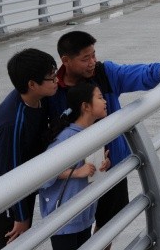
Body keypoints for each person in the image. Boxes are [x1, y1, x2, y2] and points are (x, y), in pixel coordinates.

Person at [48, 30, 160, 247]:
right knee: (76, 231)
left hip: (109, 167)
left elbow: (140, 73)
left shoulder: (105, 73)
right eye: (86, 58)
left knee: (108, 224)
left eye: (94, 55)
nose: (93, 62)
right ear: (65, 60)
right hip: (75, 177)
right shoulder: (52, 88)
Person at [0, 48, 58, 248]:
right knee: (13, 243)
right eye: (52, 78)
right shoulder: (11, 123)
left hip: (24, 181)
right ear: (32, 84)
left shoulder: (37, 98)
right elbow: (9, 173)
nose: (57, 80)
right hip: (3, 194)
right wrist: (20, 216)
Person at [40, 82, 111, 250]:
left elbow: (88, 168)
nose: (105, 101)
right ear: (86, 106)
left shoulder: (92, 131)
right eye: (100, 97)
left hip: (84, 216)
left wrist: (103, 164)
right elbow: (44, 174)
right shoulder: (66, 137)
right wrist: (77, 172)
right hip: (65, 221)